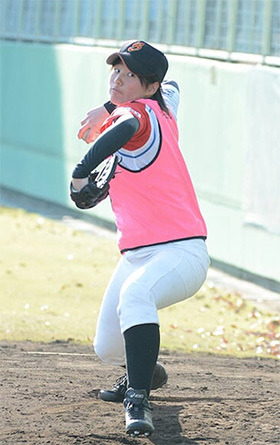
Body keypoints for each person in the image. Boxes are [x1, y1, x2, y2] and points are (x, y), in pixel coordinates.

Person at [71, 40, 210, 437]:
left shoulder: (139, 115)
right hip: (137, 254)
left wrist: (81, 173)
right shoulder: (164, 102)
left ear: (148, 87)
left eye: (129, 74)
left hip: (181, 251)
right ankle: (144, 369)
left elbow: (128, 127)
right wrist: (111, 106)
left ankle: (138, 398)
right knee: (107, 349)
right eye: (116, 69)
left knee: (135, 295)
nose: (117, 77)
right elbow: (174, 87)